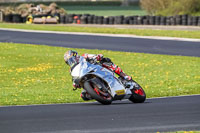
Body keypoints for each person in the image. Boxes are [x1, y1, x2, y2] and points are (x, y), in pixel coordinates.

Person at [64, 50, 132, 101]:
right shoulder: (72, 70)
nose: (72, 61)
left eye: (72, 59)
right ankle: (101, 94)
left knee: (106, 61)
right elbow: (74, 79)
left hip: (97, 69)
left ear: (76, 56)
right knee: (84, 96)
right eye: (69, 61)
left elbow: (95, 56)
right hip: (87, 76)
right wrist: (75, 83)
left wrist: (97, 57)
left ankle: (124, 75)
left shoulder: (84, 56)